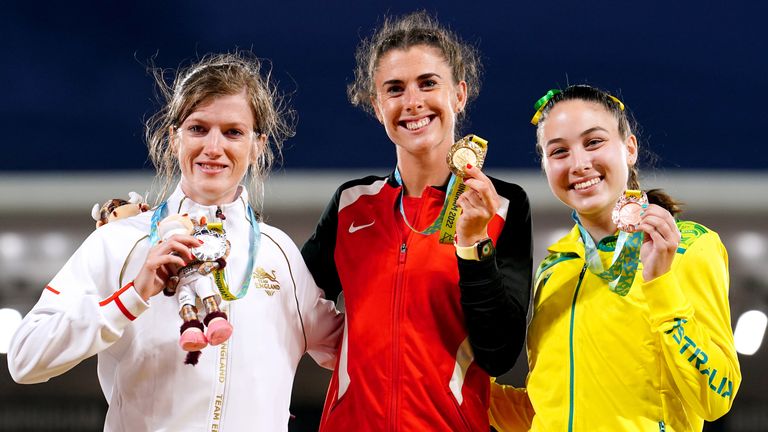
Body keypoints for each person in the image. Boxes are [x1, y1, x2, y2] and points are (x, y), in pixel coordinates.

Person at [7, 52, 343, 431]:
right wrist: (132, 295)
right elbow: (24, 358)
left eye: (233, 132)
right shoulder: (122, 243)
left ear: (257, 145)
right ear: (173, 137)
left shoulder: (278, 255)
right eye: (198, 129)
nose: (213, 148)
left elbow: (353, 351)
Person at [301, 11, 532, 431]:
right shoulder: (352, 204)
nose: (412, 102)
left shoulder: (502, 206)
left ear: (459, 95)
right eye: (394, 89)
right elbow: (286, 301)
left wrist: (473, 245)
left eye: (428, 83)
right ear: (377, 106)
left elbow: (499, 352)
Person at [490, 85, 741, 431]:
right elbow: (545, 411)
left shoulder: (688, 247)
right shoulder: (555, 267)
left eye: (593, 142)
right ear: (545, 167)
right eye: (559, 151)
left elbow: (716, 396)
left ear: (630, 148)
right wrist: (452, 382)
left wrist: (661, 285)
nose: (579, 164)